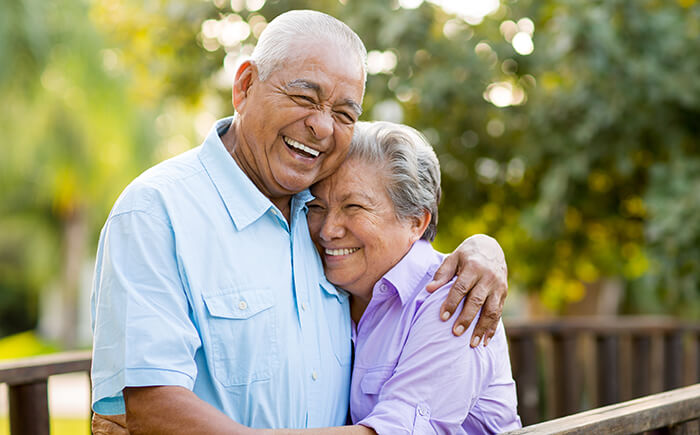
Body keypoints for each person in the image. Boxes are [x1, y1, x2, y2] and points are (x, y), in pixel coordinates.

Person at [90, 10, 510, 434]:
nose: (322, 125)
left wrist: (484, 247)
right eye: (305, 97)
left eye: (345, 114)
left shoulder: (319, 216)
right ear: (245, 86)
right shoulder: (156, 211)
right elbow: (152, 407)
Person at [262, 121, 521, 434]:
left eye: (353, 207)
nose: (328, 229)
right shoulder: (325, 290)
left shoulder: (453, 298)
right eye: (317, 207)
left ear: (416, 221)